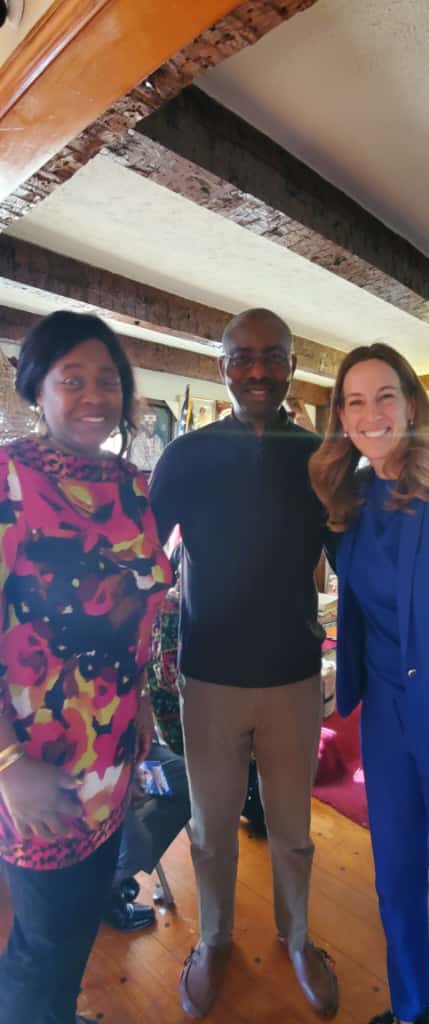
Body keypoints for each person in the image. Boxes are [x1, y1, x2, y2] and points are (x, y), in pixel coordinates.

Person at [150, 308, 339, 1020]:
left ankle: (299, 938)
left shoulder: (319, 456)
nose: (257, 371)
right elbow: (141, 559)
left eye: (272, 357)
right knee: (209, 830)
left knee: (292, 831)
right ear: (221, 365)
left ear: (291, 364)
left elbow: (358, 558)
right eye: (242, 357)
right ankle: (213, 940)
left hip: (293, 676)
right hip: (209, 677)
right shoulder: (186, 455)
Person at [0, 310, 170, 1024]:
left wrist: (144, 706)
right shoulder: (9, 478)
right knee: (42, 945)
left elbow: (141, 608)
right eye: (72, 379)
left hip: (113, 744)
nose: (94, 395)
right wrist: (8, 764)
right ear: (37, 388)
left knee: (74, 928)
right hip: (36, 760)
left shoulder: (130, 484)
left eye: (107, 380)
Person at [309, 342, 429, 1024]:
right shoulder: (351, 501)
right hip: (384, 724)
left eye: (384, 396)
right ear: (341, 417)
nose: (371, 413)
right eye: (354, 402)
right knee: (395, 882)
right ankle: (410, 1010)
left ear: (411, 404)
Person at [103, 740, 191, 931]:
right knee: (136, 844)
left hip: (132, 759)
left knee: (189, 784)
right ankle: (103, 891)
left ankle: (115, 870)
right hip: (94, 783)